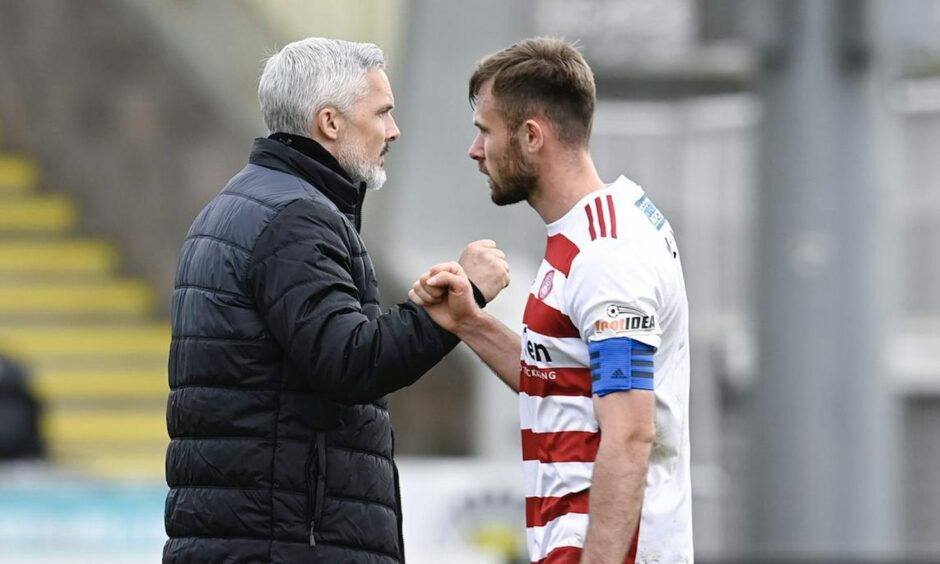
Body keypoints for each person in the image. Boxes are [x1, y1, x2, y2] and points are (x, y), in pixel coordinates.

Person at [163, 37, 509, 563]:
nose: (393, 131)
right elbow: (347, 361)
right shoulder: (297, 219)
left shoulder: (238, 206)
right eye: (383, 113)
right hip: (290, 542)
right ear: (330, 122)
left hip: (249, 536)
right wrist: (452, 306)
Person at [409, 38, 693, 563]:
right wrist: (470, 323)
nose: (476, 151)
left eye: (484, 132)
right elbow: (563, 379)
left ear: (532, 135)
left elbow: (630, 433)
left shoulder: (608, 256)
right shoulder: (592, 229)